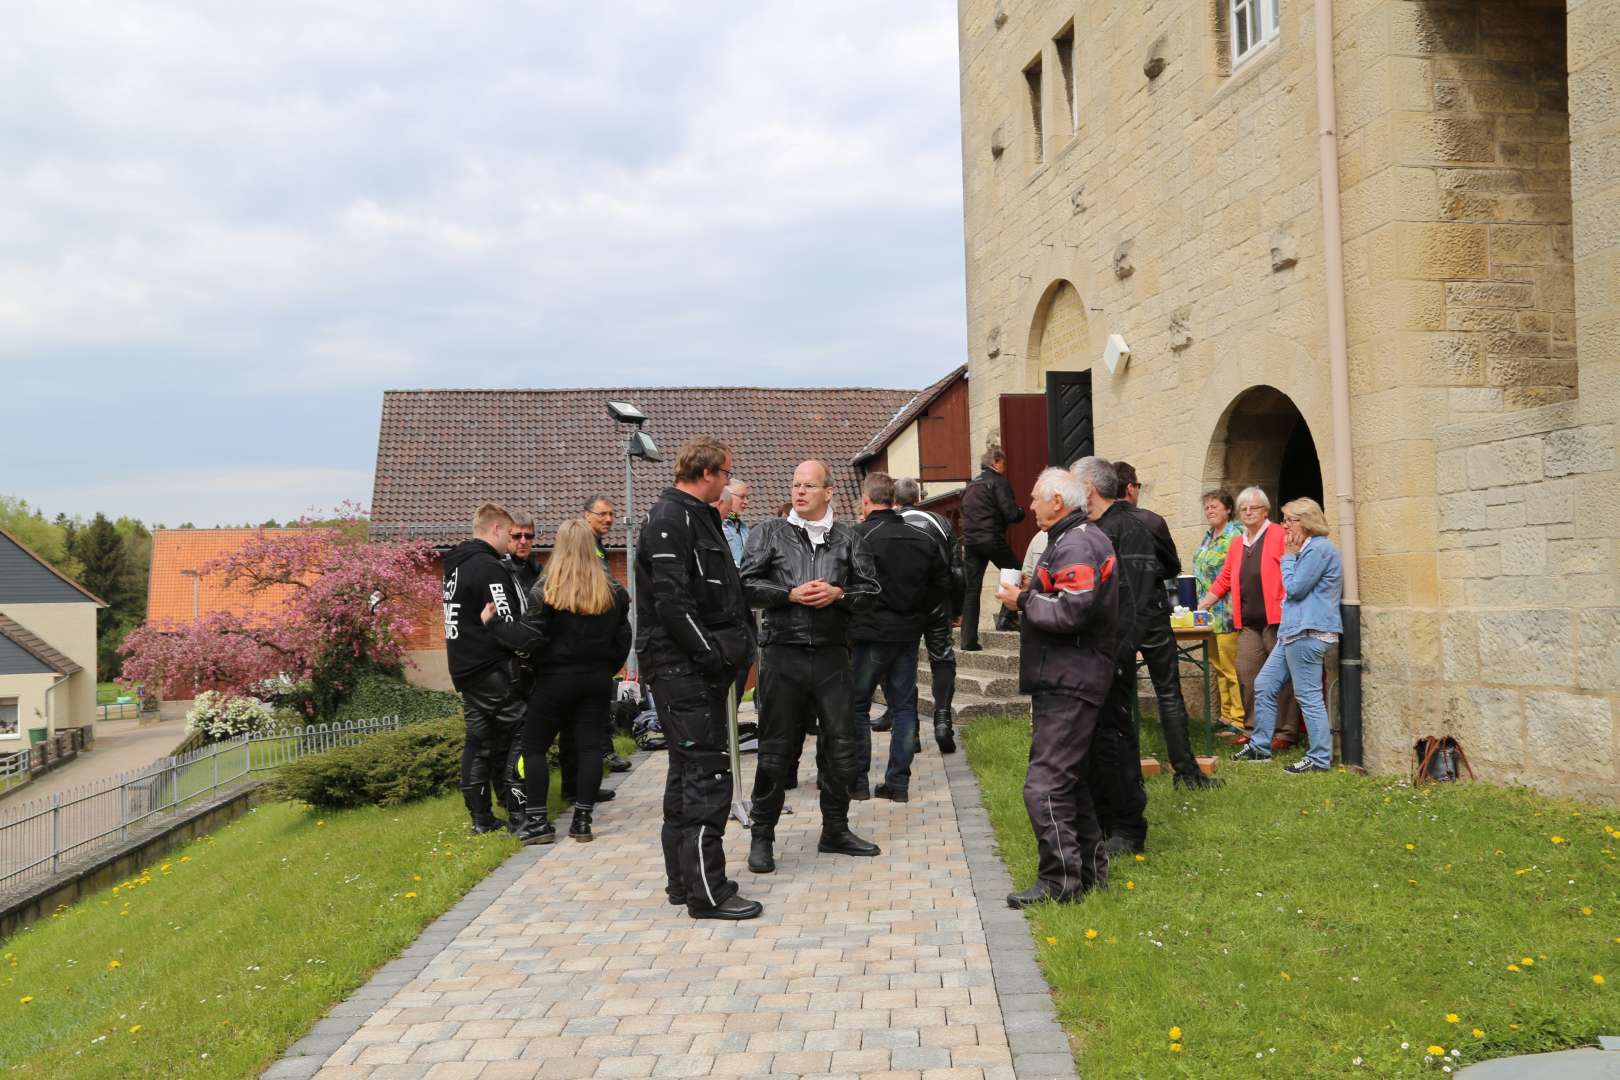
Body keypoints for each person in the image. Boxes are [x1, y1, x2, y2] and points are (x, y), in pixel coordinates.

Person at [634, 436, 761, 921]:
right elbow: (672, 603)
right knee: (707, 773)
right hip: (683, 668)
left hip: (695, 666)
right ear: (706, 473)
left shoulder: (696, 516)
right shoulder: (670, 519)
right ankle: (709, 892)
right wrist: (711, 656)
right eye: (726, 473)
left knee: (688, 770)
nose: (729, 481)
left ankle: (684, 880)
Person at [739, 460, 882, 874]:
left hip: (833, 655)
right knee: (775, 752)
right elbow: (745, 586)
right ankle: (761, 836)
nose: (800, 492)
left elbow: (871, 591)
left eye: (809, 486)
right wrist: (789, 594)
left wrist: (838, 594)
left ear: (829, 492)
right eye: (795, 485)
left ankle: (835, 829)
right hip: (783, 654)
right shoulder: (767, 532)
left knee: (841, 747)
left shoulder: (849, 538)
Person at [994, 467, 1119, 908]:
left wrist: (1021, 600)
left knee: (1043, 785)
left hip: (1071, 677)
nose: (1029, 506)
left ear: (1058, 502)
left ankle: (1058, 882)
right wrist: (1034, 589)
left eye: (1034, 498)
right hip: (1069, 674)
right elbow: (1069, 597)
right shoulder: (1070, 539)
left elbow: (1073, 612)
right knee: (1070, 780)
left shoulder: (1078, 542)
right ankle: (1088, 874)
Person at [486, 520, 631, 843]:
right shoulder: (614, 591)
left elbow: (527, 638)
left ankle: (538, 823)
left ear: (560, 546)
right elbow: (624, 637)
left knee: (534, 747)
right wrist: (608, 666)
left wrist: (493, 623)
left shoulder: (546, 590)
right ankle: (582, 820)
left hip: (554, 680)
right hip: (595, 679)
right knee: (590, 748)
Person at [851, 472, 951, 803]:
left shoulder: (858, 536)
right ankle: (898, 783)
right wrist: (919, 610)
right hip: (908, 630)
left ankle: (857, 781)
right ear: (894, 501)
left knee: (857, 706)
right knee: (904, 706)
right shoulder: (922, 539)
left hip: (868, 632)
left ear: (866, 500)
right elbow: (942, 584)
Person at [1232, 498, 1343, 773]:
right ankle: (1260, 747)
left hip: (1309, 632)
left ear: (1305, 522)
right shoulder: (1307, 548)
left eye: (1289, 520)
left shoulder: (1318, 549)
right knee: (1265, 684)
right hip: (1292, 633)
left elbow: (1294, 588)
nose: (1284, 526)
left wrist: (1288, 557)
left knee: (1308, 696)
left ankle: (1319, 759)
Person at [442, 502, 527, 835]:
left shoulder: (456, 566)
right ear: (495, 529)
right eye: (509, 532)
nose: (511, 540)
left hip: (464, 666)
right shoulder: (488, 567)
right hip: (491, 666)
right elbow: (506, 620)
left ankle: (481, 818)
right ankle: (519, 808)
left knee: (479, 741)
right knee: (523, 728)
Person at [1199, 487, 1303, 748]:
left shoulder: (1279, 534)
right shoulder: (1238, 543)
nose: (1247, 512)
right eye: (1244, 508)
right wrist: (1205, 603)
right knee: (1247, 673)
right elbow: (1225, 578)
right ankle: (1254, 728)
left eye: (1253, 507)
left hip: (1276, 619)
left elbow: (1296, 564)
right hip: (1246, 620)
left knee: (1282, 676)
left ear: (1265, 511)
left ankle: (1285, 732)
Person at [894, 477, 964, 753]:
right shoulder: (941, 524)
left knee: (903, 665)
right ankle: (943, 720)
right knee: (942, 658)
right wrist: (956, 609)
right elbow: (958, 572)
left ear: (895, 501)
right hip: (938, 602)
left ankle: (910, 730)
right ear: (920, 498)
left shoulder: (890, 524)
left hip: (904, 606)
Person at [579, 495, 634, 779]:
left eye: (612, 515)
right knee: (592, 705)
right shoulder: (582, 544)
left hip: (603, 637)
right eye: (602, 514)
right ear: (586, 515)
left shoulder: (597, 545)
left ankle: (603, 752)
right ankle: (602, 753)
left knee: (599, 701)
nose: (609, 520)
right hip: (588, 639)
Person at [959, 446, 1026, 651]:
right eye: (1003, 462)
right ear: (996, 462)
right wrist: (1021, 512)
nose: (1004, 467)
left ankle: (968, 640)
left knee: (972, 590)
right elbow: (1010, 513)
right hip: (990, 538)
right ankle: (1007, 617)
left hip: (970, 542)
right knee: (1013, 569)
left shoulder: (969, 487)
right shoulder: (998, 482)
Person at [1193, 490, 1245, 733]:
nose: (1210, 511)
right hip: (1207, 612)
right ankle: (1225, 716)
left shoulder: (1236, 535)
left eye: (1214, 506)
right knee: (1217, 665)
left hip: (1227, 611)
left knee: (1230, 666)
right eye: (1207, 507)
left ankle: (1238, 718)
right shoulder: (1207, 536)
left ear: (1227, 509)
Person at [1113, 461, 1181, 582]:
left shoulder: (1098, 522)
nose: (1139, 490)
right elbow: (1172, 567)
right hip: (1150, 595)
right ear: (1130, 488)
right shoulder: (1152, 521)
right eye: (1138, 485)